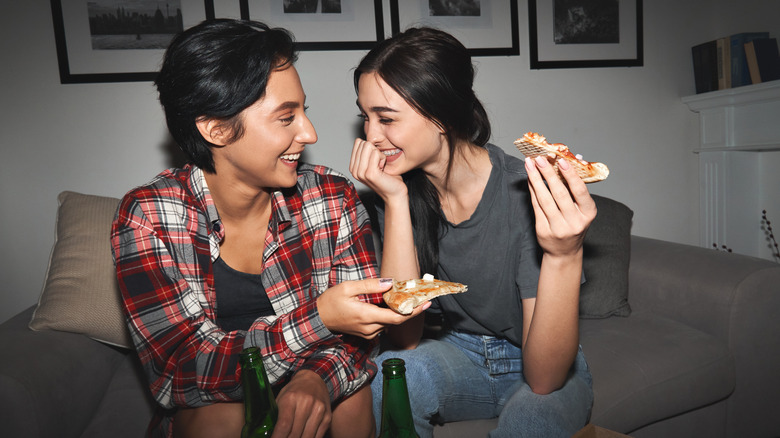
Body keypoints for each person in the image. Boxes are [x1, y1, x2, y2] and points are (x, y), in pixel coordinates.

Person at [110, 19, 425, 438]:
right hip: (215, 402)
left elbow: (363, 338)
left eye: (304, 111)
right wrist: (317, 319)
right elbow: (178, 372)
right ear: (215, 129)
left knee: (352, 400)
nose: (309, 133)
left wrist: (313, 379)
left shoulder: (331, 196)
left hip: (322, 381)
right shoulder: (149, 216)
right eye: (285, 117)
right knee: (219, 420)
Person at [349, 27, 595, 437]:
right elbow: (406, 337)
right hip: (458, 353)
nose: (371, 137)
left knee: (531, 418)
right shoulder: (398, 191)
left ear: (442, 114)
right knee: (391, 378)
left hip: (534, 359)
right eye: (366, 117)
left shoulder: (525, 192)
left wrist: (564, 254)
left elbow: (544, 380)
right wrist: (394, 201)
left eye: (386, 118)